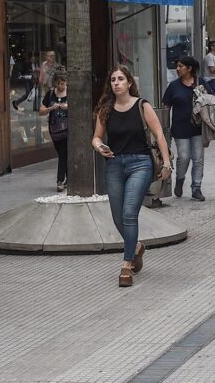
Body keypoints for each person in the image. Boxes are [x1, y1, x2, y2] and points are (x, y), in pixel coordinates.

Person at [92, 66, 172, 287]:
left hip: (140, 164)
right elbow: (96, 137)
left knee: (129, 213)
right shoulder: (105, 109)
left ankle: (126, 264)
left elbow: (159, 134)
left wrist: (167, 163)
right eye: (113, 80)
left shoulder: (142, 105)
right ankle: (136, 247)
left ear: (129, 83)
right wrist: (100, 147)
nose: (116, 83)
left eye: (121, 79)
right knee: (117, 217)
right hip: (115, 164)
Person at [162, 56, 205, 202]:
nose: (178, 69)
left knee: (198, 158)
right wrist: (164, 128)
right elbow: (166, 107)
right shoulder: (173, 86)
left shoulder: (201, 83)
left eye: (181, 66)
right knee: (184, 156)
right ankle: (180, 179)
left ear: (189, 68)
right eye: (177, 66)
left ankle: (196, 187)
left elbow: (211, 100)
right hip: (180, 128)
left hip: (198, 127)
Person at [39, 71, 70, 192]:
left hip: (68, 129)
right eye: (58, 83)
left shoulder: (70, 93)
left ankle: (59, 180)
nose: (61, 86)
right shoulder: (50, 94)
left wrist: (68, 107)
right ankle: (69, 178)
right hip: (54, 129)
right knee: (63, 154)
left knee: (63, 153)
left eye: (63, 83)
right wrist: (51, 108)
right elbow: (41, 111)